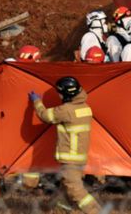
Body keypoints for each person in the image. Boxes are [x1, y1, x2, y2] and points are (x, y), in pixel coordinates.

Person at [28, 77, 101, 214]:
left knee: (75, 190)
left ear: (66, 95)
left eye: (60, 93)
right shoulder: (85, 108)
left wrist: (36, 101)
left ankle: (95, 211)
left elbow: (44, 116)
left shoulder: (66, 111)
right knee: (64, 192)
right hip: (79, 158)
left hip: (70, 160)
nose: (59, 96)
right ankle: (58, 210)